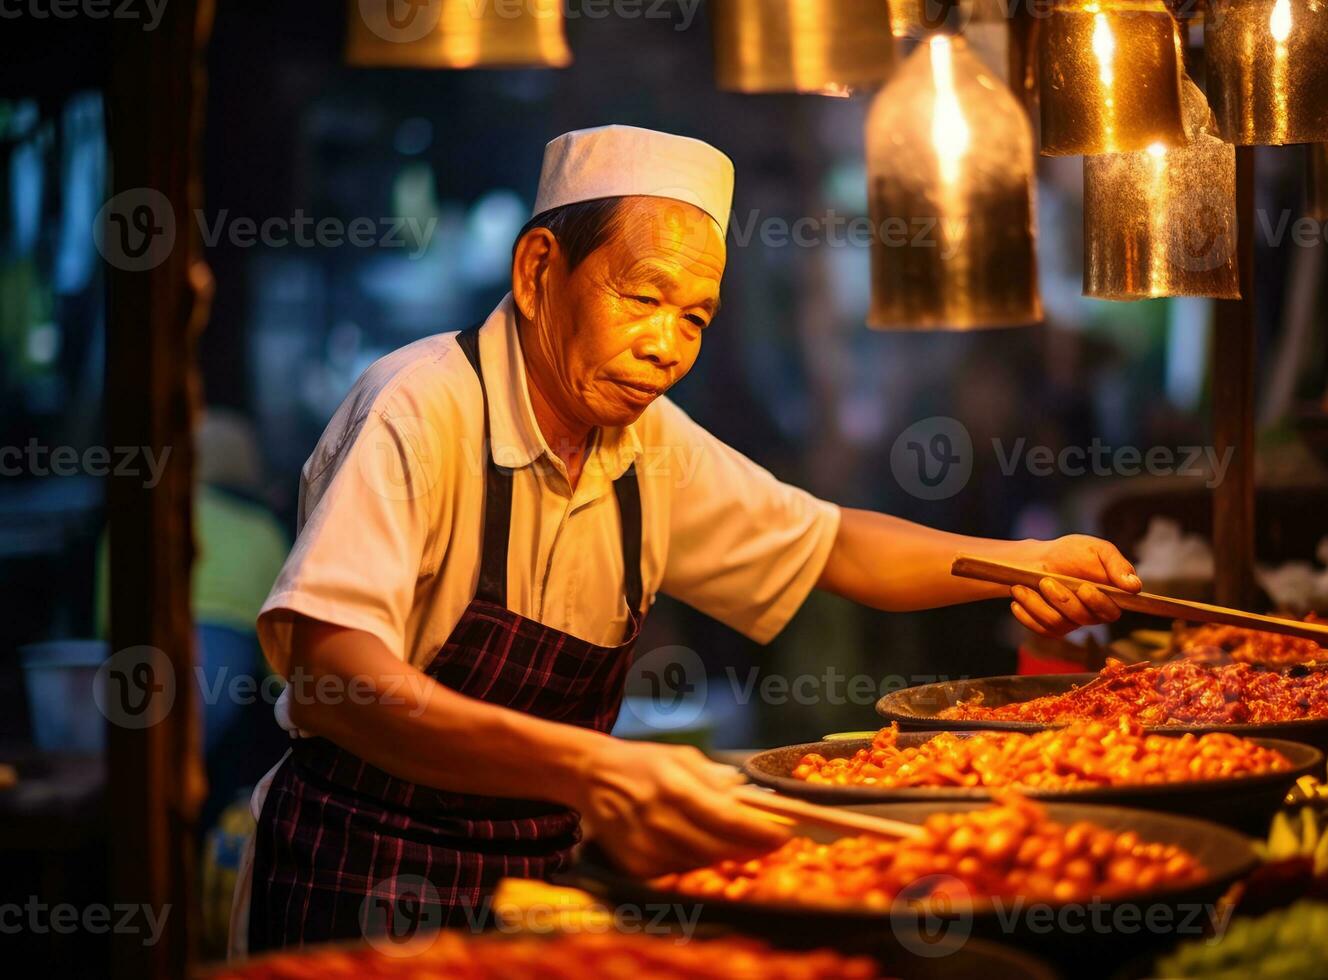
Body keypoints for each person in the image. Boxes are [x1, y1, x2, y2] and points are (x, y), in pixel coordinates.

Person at [233, 125, 1142, 953]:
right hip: (357, 883)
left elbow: (831, 546)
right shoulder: (420, 407)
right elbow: (336, 674)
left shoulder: (644, 438)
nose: (668, 346)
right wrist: (599, 766)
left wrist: (1019, 564)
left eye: (696, 317)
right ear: (538, 269)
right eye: (643, 297)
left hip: (537, 891)